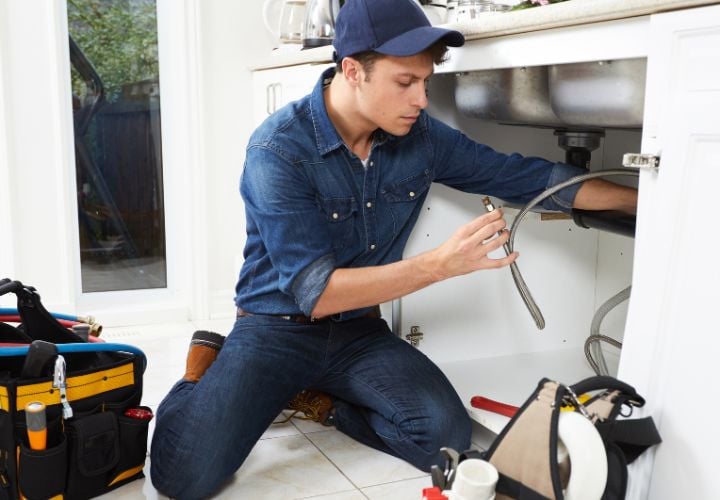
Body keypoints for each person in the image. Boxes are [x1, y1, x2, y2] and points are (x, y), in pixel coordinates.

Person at [149, 0, 637, 497]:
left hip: (358, 331)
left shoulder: (420, 138)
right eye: (406, 82)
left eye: (426, 82)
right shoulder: (278, 150)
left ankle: (321, 401)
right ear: (353, 70)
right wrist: (440, 266)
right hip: (276, 328)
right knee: (183, 478)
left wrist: (643, 199)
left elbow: (524, 176)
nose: (422, 99)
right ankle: (202, 372)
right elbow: (315, 294)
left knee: (443, 436)